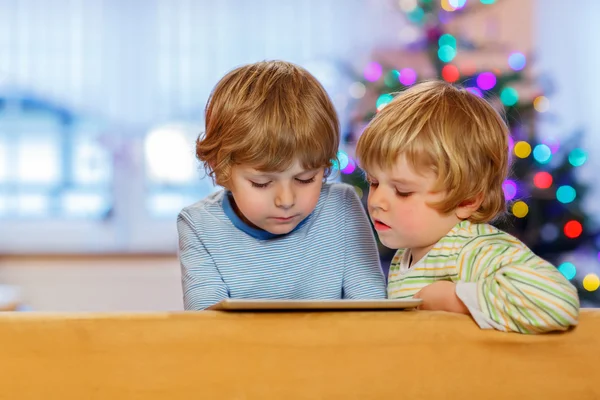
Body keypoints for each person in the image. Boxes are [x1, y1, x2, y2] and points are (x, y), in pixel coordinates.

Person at [355, 80, 579, 333]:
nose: (376, 201)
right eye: (373, 182)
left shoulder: (473, 249)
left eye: (403, 191)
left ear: (467, 200)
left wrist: (454, 298)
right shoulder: (408, 255)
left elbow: (558, 304)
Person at [178, 60, 386, 310]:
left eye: (305, 179)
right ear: (219, 169)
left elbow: (374, 313)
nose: (286, 200)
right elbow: (205, 329)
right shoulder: (199, 225)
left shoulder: (340, 207)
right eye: (262, 183)